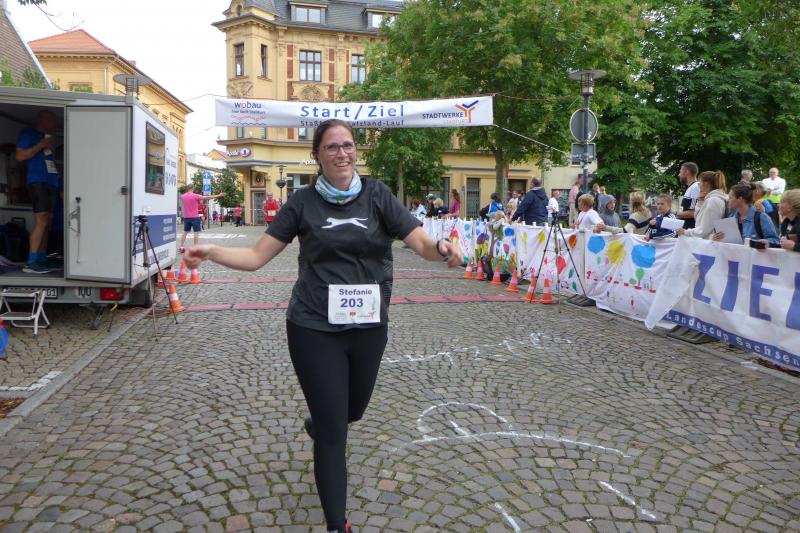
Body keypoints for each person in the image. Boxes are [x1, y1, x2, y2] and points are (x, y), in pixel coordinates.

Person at [183, 119, 463, 533]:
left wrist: (441, 248)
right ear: (316, 155)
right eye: (331, 147)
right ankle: (337, 524)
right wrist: (212, 252)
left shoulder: (377, 195)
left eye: (347, 145)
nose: (341, 153)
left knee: (353, 410)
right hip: (313, 326)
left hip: (368, 325)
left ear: (356, 150)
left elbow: (420, 242)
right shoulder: (302, 202)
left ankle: (320, 421)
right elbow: (257, 257)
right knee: (334, 432)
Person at [15, 110, 60, 274]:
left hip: (51, 182)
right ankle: (31, 262)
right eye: (52, 120)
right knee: (41, 219)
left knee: (48, 221)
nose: (55, 124)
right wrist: (41, 145)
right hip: (38, 181)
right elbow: (19, 156)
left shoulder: (48, 138)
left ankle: (41, 258)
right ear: (42, 120)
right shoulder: (29, 133)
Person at [713, 183, 780, 246]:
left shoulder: (761, 217)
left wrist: (765, 242)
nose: (728, 200)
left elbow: (775, 240)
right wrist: (718, 238)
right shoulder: (731, 218)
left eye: (730, 197)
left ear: (740, 199)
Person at [676, 170, 728, 240]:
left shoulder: (713, 201)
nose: (699, 186)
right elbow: (698, 221)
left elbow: (704, 229)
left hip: (710, 243)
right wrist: (700, 202)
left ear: (706, 184)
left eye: (699, 184)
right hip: (708, 242)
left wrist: (686, 232)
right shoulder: (711, 199)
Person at [178, 184, 225, 253]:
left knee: (185, 232)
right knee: (196, 232)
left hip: (186, 217)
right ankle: (195, 248)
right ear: (193, 188)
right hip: (195, 217)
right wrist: (219, 195)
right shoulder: (196, 196)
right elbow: (208, 197)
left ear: (187, 188)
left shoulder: (183, 196)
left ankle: (181, 246)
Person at [676, 162, 700, 229]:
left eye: (680, 172)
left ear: (686, 172)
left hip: (691, 229)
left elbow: (693, 212)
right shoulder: (691, 187)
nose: (679, 175)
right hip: (686, 229)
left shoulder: (695, 187)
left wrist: (674, 214)